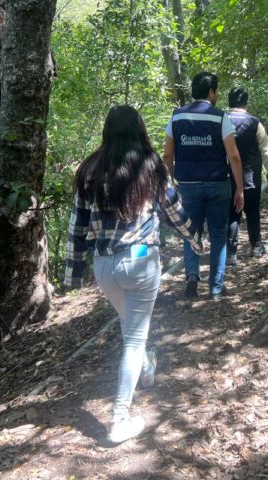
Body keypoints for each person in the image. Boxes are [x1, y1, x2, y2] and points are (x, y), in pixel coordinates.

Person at [63, 105, 202, 444]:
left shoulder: (88, 171)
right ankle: (118, 420)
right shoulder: (152, 166)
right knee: (134, 339)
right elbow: (176, 212)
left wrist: (72, 276)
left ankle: (146, 368)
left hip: (105, 268)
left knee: (131, 329)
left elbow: (77, 228)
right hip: (141, 262)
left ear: (107, 131)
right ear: (139, 129)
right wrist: (196, 241)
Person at [163, 71, 245, 300]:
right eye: (216, 91)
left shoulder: (176, 117)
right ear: (211, 92)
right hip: (218, 184)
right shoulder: (220, 117)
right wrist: (239, 188)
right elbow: (234, 156)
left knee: (190, 233)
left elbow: (168, 155)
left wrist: (169, 185)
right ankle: (216, 287)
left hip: (187, 186)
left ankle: (191, 277)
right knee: (218, 234)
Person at [225, 87, 268, 265]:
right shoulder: (254, 122)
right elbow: (265, 148)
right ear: (246, 102)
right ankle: (256, 246)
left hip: (227, 177)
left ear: (229, 101)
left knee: (233, 214)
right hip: (250, 176)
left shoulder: (221, 120)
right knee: (253, 211)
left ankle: (231, 254)